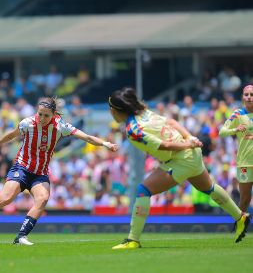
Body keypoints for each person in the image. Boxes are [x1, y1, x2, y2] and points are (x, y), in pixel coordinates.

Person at [0, 97, 118, 245]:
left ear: (53, 115)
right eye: (40, 114)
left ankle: (21, 237)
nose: (42, 118)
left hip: (40, 173)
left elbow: (87, 137)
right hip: (22, 168)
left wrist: (106, 144)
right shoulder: (28, 123)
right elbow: (12, 134)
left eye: (46, 115)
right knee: (6, 198)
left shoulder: (61, 126)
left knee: (43, 199)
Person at [107, 87, 250, 250]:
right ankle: (240, 217)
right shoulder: (145, 112)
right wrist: (189, 137)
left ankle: (133, 239)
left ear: (116, 110)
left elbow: (165, 145)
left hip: (181, 157)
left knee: (143, 190)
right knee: (208, 187)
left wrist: (187, 143)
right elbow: (172, 122)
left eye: (110, 109)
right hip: (191, 153)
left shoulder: (133, 130)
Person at [219, 85, 253, 213]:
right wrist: (235, 129)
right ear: (243, 97)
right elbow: (222, 132)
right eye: (246, 94)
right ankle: (240, 225)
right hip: (244, 163)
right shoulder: (238, 114)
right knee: (245, 199)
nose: (249, 97)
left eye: (252, 94)